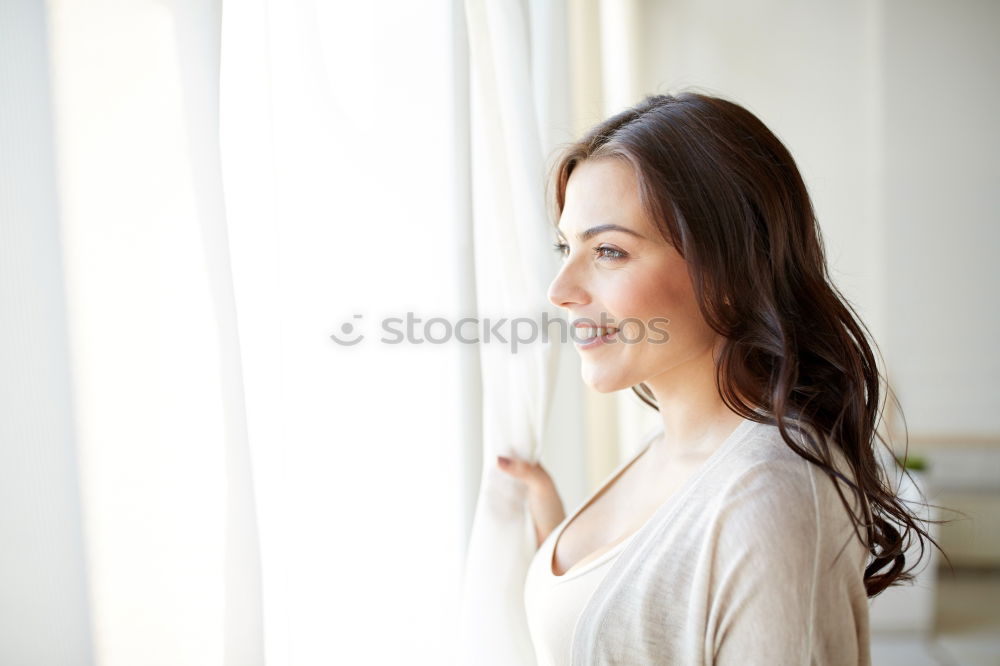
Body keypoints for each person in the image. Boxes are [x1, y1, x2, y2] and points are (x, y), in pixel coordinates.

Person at [495, 91, 940, 665]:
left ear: (729, 269)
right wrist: (553, 537)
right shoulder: (673, 451)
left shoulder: (771, 498)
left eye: (608, 251)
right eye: (565, 246)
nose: (559, 291)